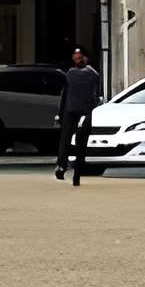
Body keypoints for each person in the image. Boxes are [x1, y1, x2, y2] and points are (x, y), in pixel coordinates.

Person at [57, 48, 102, 185]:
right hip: (85, 112)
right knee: (81, 144)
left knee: (66, 140)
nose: (77, 59)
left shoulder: (70, 73)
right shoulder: (92, 74)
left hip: (71, 112)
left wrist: (60, 114)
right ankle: (76, 175)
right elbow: (98, 94)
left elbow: (64, 95)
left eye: (79, 57)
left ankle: (61, 166)